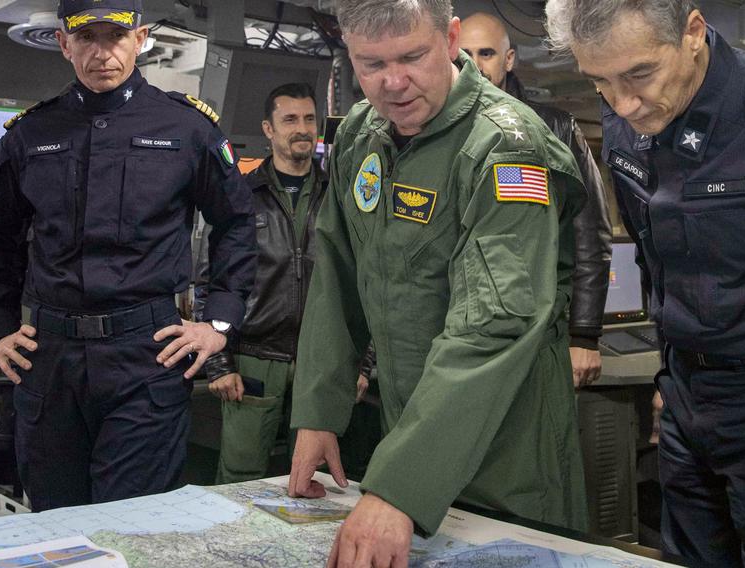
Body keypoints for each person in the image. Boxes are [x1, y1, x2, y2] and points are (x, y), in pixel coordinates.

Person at [287, 0, 590, 565]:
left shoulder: (505, 146)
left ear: (450, 39)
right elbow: (336, 270)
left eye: (412, 56)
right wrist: (320, 411)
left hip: (507, 450)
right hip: (410, 431)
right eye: (370, 64)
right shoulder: (362, 134)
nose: (393, 83)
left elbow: (494, 324)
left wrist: (400, 486)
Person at [545, 1, 745, 565]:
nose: (623, 103)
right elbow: (655, 256)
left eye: (639, 74)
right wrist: (672, 375)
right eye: (600, 82)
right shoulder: (624, 112)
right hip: (686, 403)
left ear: (691, 30)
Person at [0, 0, 257, 512]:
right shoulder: (31, 134)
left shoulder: (187, 128)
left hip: (146, 354)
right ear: (63, 44)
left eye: (116, 37)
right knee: (56, 520)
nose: (103, 53)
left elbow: (235, 222)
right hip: (48, 358)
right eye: (87, 37)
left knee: (134, 521)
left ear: (140, 39)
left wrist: (219, 323)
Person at [460, 12, 612, 388]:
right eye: (465, 54)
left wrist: (585, 333)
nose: (475, 66)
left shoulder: (554, 130)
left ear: (508, 60)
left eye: (486, 53)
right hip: (458, 329)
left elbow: (590, 235)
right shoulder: (436, 133)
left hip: (539, 330)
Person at [193, 82, 334, 483]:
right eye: (290, 119)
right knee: (241, 479)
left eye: (309, 119)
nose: (302, 128)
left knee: (316, 481)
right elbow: (209, 284)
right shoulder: (240, 195)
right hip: (255, 358)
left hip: (321, 365)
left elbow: (364, 281)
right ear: (268, 130)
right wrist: (219, 364)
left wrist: (362, 364)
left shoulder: (338, 197)